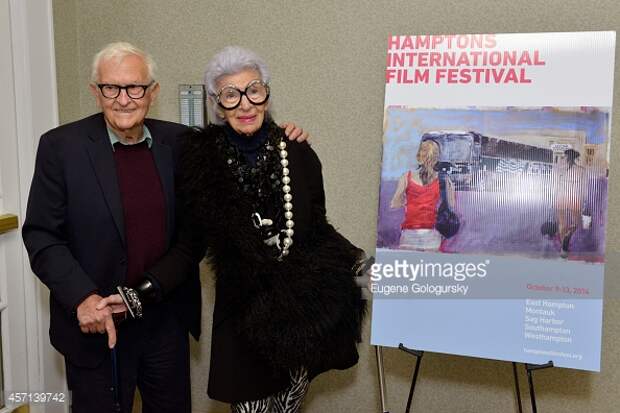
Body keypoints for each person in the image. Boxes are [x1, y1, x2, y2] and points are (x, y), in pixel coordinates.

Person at [22, 42, 308, 413]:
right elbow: (42, 235)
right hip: (96, 327)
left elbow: (199, 226)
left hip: (163, 325)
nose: (124, 99)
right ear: (96, 92)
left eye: (135, 88)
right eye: (112, 88)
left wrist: (287, 139)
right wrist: (82, 297)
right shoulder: (60, 147)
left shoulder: (182, 143)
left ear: (152, 92)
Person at [98, 46, 369, 413]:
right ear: (217, 103)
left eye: (253, 90)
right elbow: (187, 247)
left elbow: (317, 230)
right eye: (231, 94)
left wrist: (359, 264)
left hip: (300, 316)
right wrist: (139, 293)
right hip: (242, 319)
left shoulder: (299, 152)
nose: (245, 104)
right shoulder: (201, 161)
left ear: (267, 94)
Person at [390, 139, 455, 251]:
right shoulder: (444, 179)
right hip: (432, 235)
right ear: (436, 158)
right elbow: (452, 205)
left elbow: (394, 204)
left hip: (409, 235)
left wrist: (408, 201)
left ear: (419, 156)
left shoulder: (406, 177)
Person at [553, 148, 591, 258]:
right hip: (574, 198)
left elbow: (555, 185)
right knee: (577, 224)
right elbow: (584, 189)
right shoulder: (582, 170)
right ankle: (568, 239)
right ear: (576, 158)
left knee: (562, 224)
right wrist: (584, 201)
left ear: (566, 157)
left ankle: (562, 248)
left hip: (561, 197)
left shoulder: (559, 169)